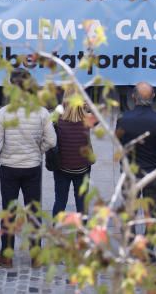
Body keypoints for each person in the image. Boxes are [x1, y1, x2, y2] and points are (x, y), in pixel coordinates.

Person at [0, 69, 56, 268]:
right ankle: (36, 255)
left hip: (9, 167)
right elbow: (52, 141)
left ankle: (7, 255)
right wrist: (38, 150)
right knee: (34, 212)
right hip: (32, 166)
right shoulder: (42, 112)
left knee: (9, 212)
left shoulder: (3, 112)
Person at [116, 82, 156, 246]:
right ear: (153, 97)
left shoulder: (123, 119)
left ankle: (130, 244)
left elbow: (118, 143)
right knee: (152, 213)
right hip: (152, 172)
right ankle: (149, 249)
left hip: (130, 173)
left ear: (133, 97)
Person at [52, 87, 97, 217]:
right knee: (82, 203)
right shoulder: (87, 119)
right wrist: (89, 107)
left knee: (60, 201)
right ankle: (82, 233)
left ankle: (55, 231)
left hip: (62, 168)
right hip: (82, 168)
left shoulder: (57, 119)